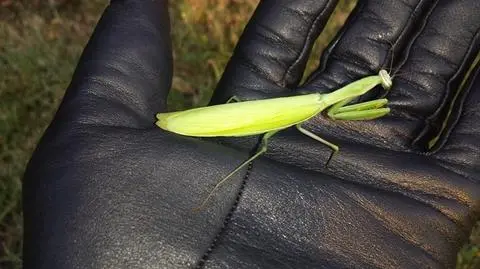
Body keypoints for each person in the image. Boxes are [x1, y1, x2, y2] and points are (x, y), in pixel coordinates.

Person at [23, 0, 480, 268]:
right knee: (284, 142)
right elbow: (338, 121)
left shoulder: (323, 103)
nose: (381, 90)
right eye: (379, 85)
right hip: (255, 118)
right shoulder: (325, 106)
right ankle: (223, 184)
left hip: (273, 111)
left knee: (273, 127)